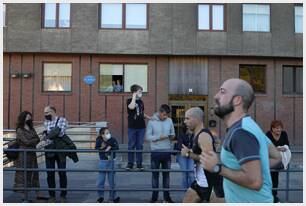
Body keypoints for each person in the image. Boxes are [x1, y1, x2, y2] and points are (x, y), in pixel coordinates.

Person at [200, 78, 281, 203]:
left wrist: (217, 168)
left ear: (237, 100)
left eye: (222, 91)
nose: (216, 96)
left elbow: (254, 182)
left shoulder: (241, 132)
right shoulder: (249, 126)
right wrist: (257, 167)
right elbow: (277, 157)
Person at [181, 107, 218, 203]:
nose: (185, 122)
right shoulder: (196, 135)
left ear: (196, 119)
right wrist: (190, 151)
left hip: (211, 185)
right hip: (199, 183)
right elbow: (200, 153)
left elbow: (210, 161)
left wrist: (189, 154)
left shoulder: (203, 136)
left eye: (187, 118)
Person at [13, 111, 47, 202]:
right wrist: (34, 140)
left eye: (30, 117)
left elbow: (38, 138)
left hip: (32, 154)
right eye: (28, 117)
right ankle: (24, 196)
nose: (29, 119)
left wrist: (32, 140)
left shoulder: (31, 128)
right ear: (23, 118)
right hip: (23, 154)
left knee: (35, 172)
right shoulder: (20, 129)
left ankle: (38, 193)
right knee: (24, 174)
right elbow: (26, 142)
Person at [145, 104, 175, 203]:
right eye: (164, 115)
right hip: (155, 152)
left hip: (167, 151)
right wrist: (158, 137)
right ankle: (154, 197)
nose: (165, 117)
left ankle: (167, 197)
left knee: (166, 176)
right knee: (155, 176)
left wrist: (171, 136)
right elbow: (147, 137)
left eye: (167, 115)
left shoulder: (169, 121)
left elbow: (173, 134)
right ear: (160, 112)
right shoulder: (151, 121)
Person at [43, 106, 69, 203]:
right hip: (49, 150)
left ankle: (63, 195)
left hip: (60, 150)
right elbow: (47, 136)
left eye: (47, 112)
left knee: (62, 173)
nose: (45, 115)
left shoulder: (62, 120)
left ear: (53, 111)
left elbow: (61, 133)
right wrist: (51, 133)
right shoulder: (46, 122)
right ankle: (52, 195)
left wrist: (48, 134)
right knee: (50, 173)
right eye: (44, 113)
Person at [126, 84, 150, 170]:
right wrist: (134, 97)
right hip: (132, 126)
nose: (141, 93)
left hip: (141, 127)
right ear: (134, 92)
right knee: (131, 145)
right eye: (140, 91)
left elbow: (141, 113)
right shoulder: (129, 101)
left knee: (140, 145)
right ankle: (130, 164)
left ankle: (139, 164)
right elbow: (132, 107)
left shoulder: (141, 102)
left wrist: (150, 118)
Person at [266, 120, 290, 203]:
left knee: (275, 176)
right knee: (268, 176)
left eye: (280, 128)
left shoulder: (284, 134)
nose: (278, 130)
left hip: (280, 159)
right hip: (270, 159)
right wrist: (276, 149)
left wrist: (284, 148)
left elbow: (287, 145)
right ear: (272, 129)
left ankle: (274, 195)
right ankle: (269, 195)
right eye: (276, 128)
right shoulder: (268, 134)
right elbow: (266, 147)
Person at [96, 127, 120, 203]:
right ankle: (100, 196)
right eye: (106, 133)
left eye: (109, 132)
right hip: (102, 162)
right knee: (100, 181)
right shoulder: (99, 140)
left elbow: (117, 147)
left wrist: (110, 147)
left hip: (111, 162)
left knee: (112, 181)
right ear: (102, 135)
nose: (108, 134)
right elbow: (96, 148)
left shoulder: (112, 139)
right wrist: (102, 147)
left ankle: (113, 196)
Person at [173, 123, 195, 189]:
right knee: (185, 174)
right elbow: (180, 146)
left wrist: (189, 150)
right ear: (187, 128)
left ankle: (194, 191)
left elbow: (195, 146)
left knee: (191, 173)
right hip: (181, 155)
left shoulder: (194, 135)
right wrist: (189, 149)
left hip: (190, 154)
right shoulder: (181, 135)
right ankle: (186, 192)